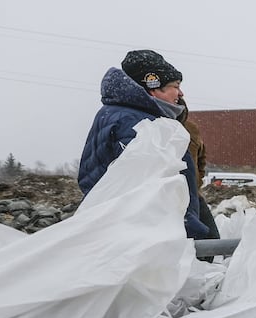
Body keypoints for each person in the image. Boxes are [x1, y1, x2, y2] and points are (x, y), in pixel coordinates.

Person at [78, 50, 208, 239]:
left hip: (130, 227)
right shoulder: (138, 124)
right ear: (154, 86)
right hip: (147, 232)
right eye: (175, 85)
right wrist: (188, 226)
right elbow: (144, 189)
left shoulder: (126, 115)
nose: (180, 93)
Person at [177, 98, 220, 243]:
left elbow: (201, 159)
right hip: (174, 195)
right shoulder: (158, 127)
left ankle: (202, 266)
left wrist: (197, 181)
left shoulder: (191, 129)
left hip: (195, 195)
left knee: (212, 238)